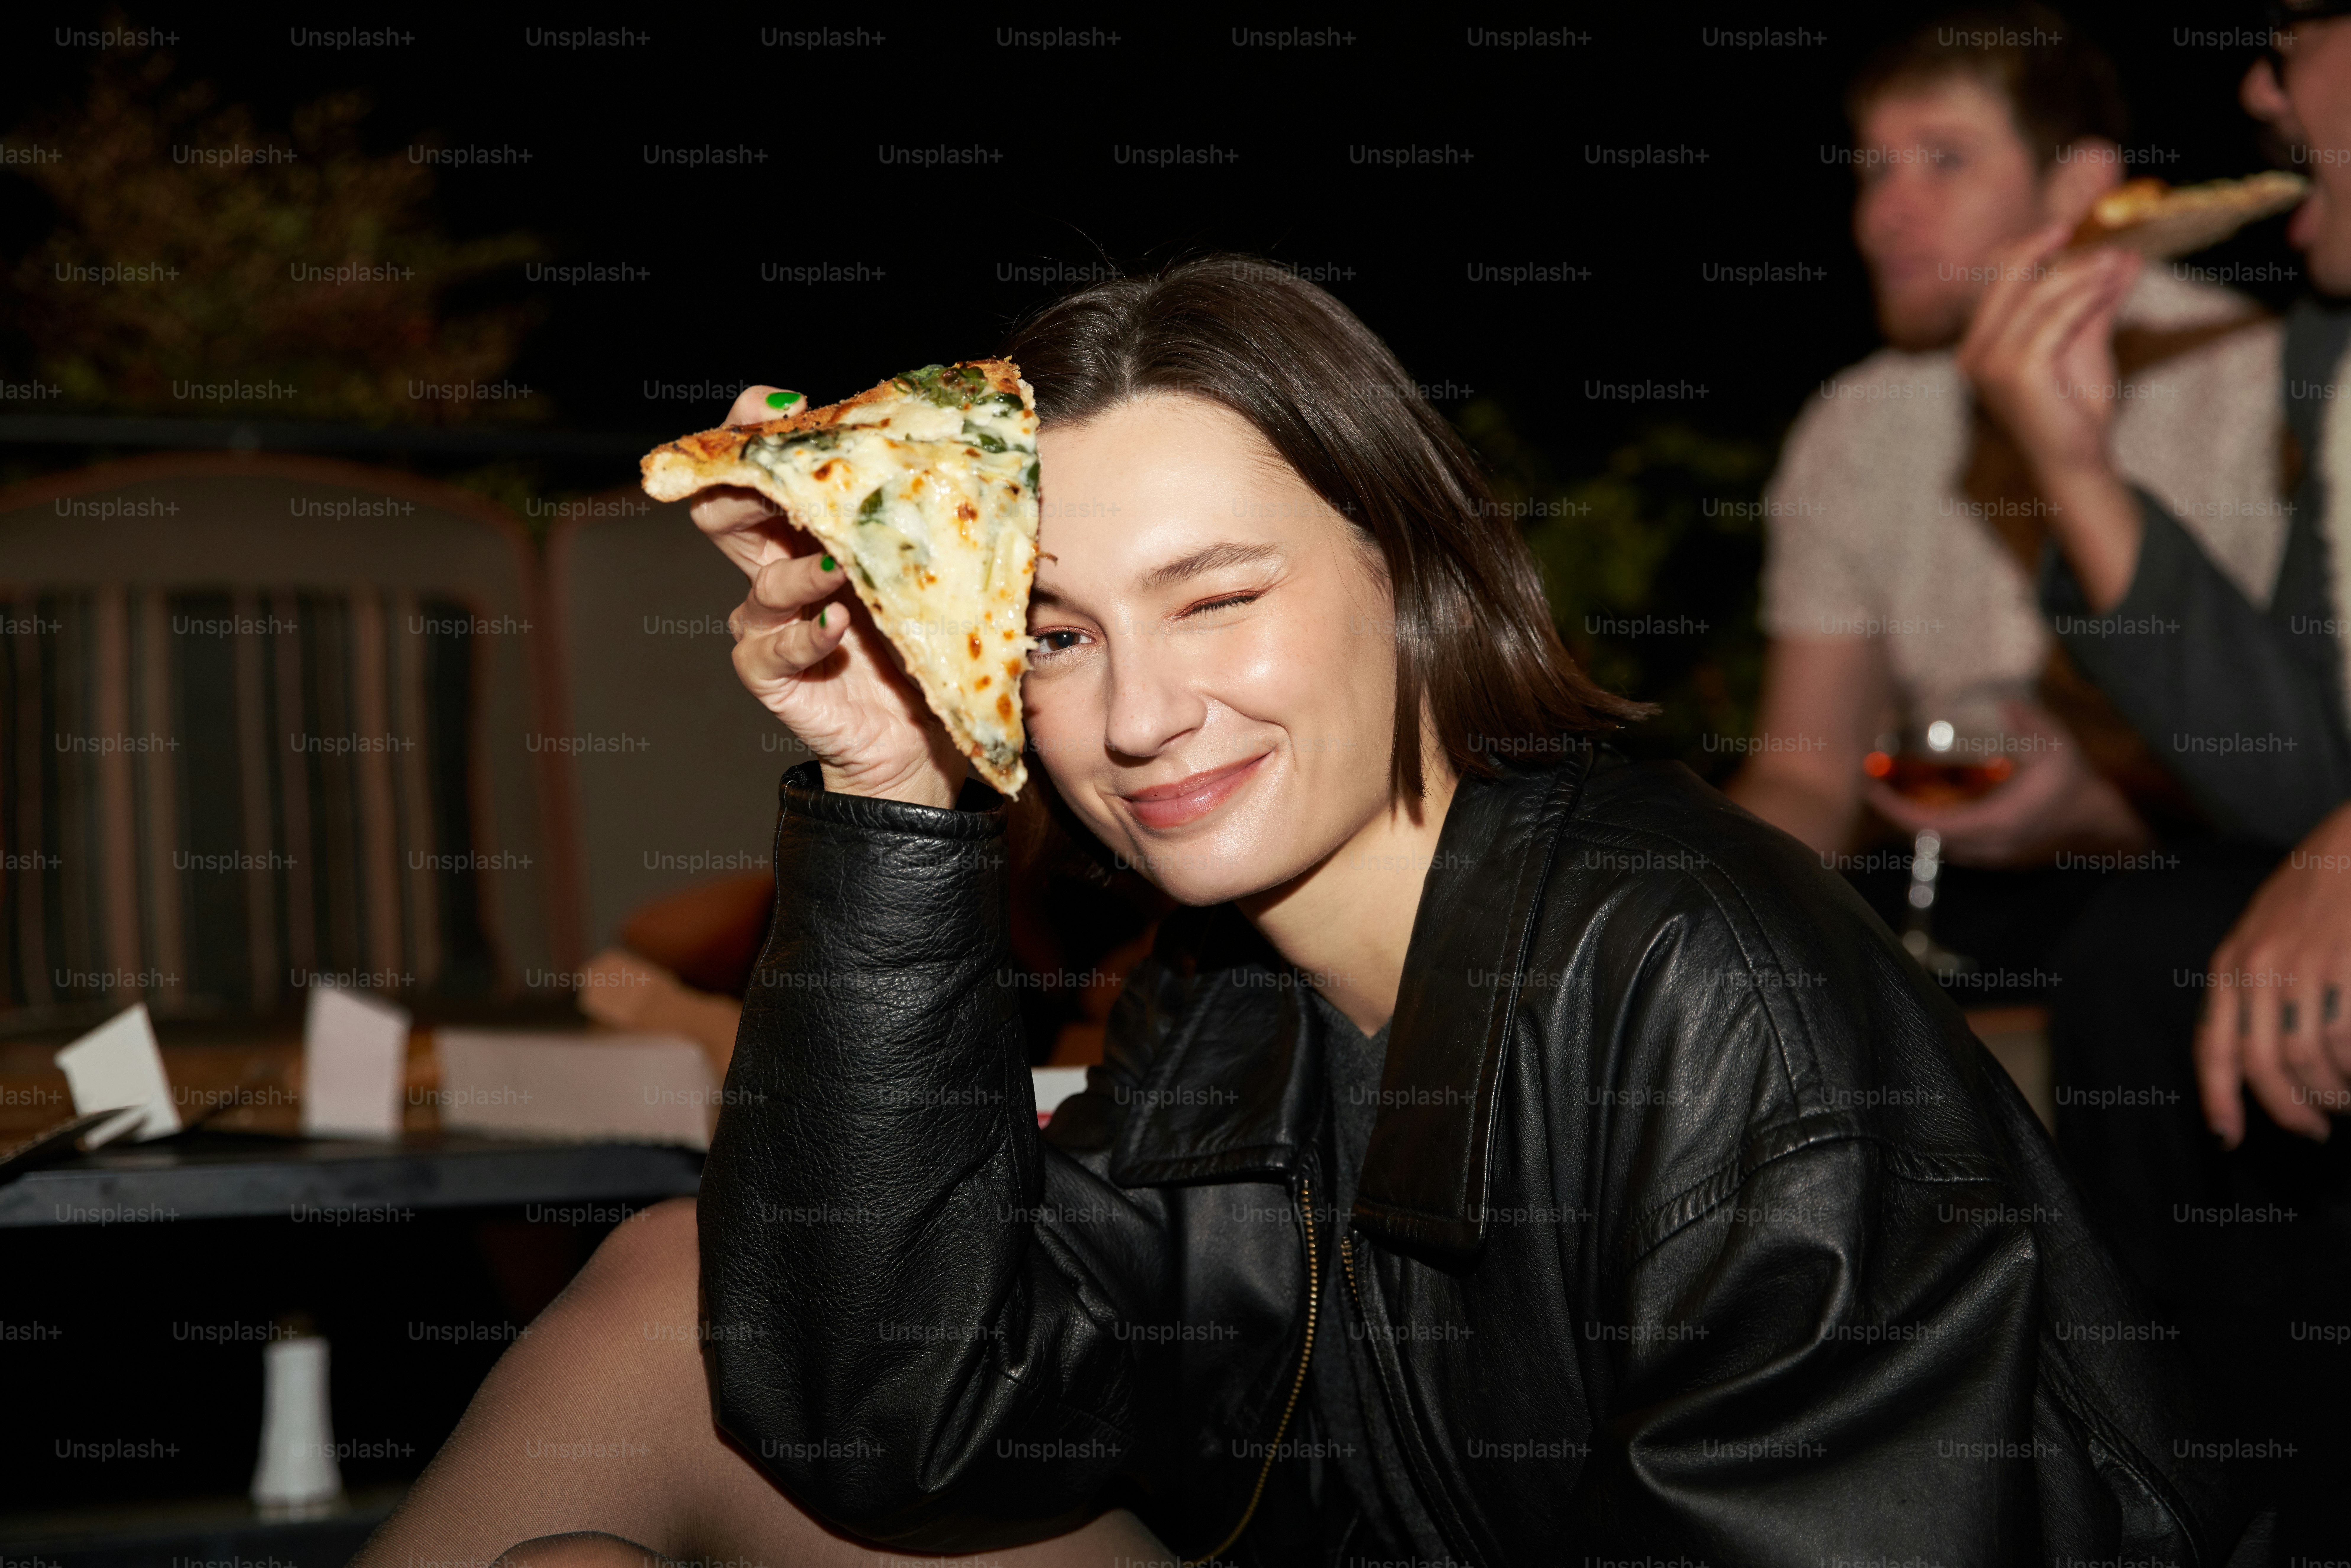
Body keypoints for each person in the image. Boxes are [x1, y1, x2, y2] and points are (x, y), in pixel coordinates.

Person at [356, 259, 2262, 1568]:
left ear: (1408, 563)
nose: (1137, 714)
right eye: (1054, 635)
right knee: (662, 1299)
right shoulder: (1229, 979)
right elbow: (890, 1410)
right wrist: (894, 789)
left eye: (1217, 596)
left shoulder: (1697, 992)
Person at [1951, 5, 2351, 1548]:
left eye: (2294, 36)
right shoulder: (2334, 346)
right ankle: (2176, 1496)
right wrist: (2070, 464)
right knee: (2150, 952)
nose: (2255, 89)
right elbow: (2291, 773)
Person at [1727, 6, 2290, 996]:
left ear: (2078, 187)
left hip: (2200, 900)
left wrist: (2100, 817)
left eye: (1943, 161)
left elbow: (2297, 764)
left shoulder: (2252, 386)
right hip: (1941, 889)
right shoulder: (1854, 424)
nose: (1882, 215)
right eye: (1873, 169)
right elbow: (1806, 770)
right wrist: (1696, 907)